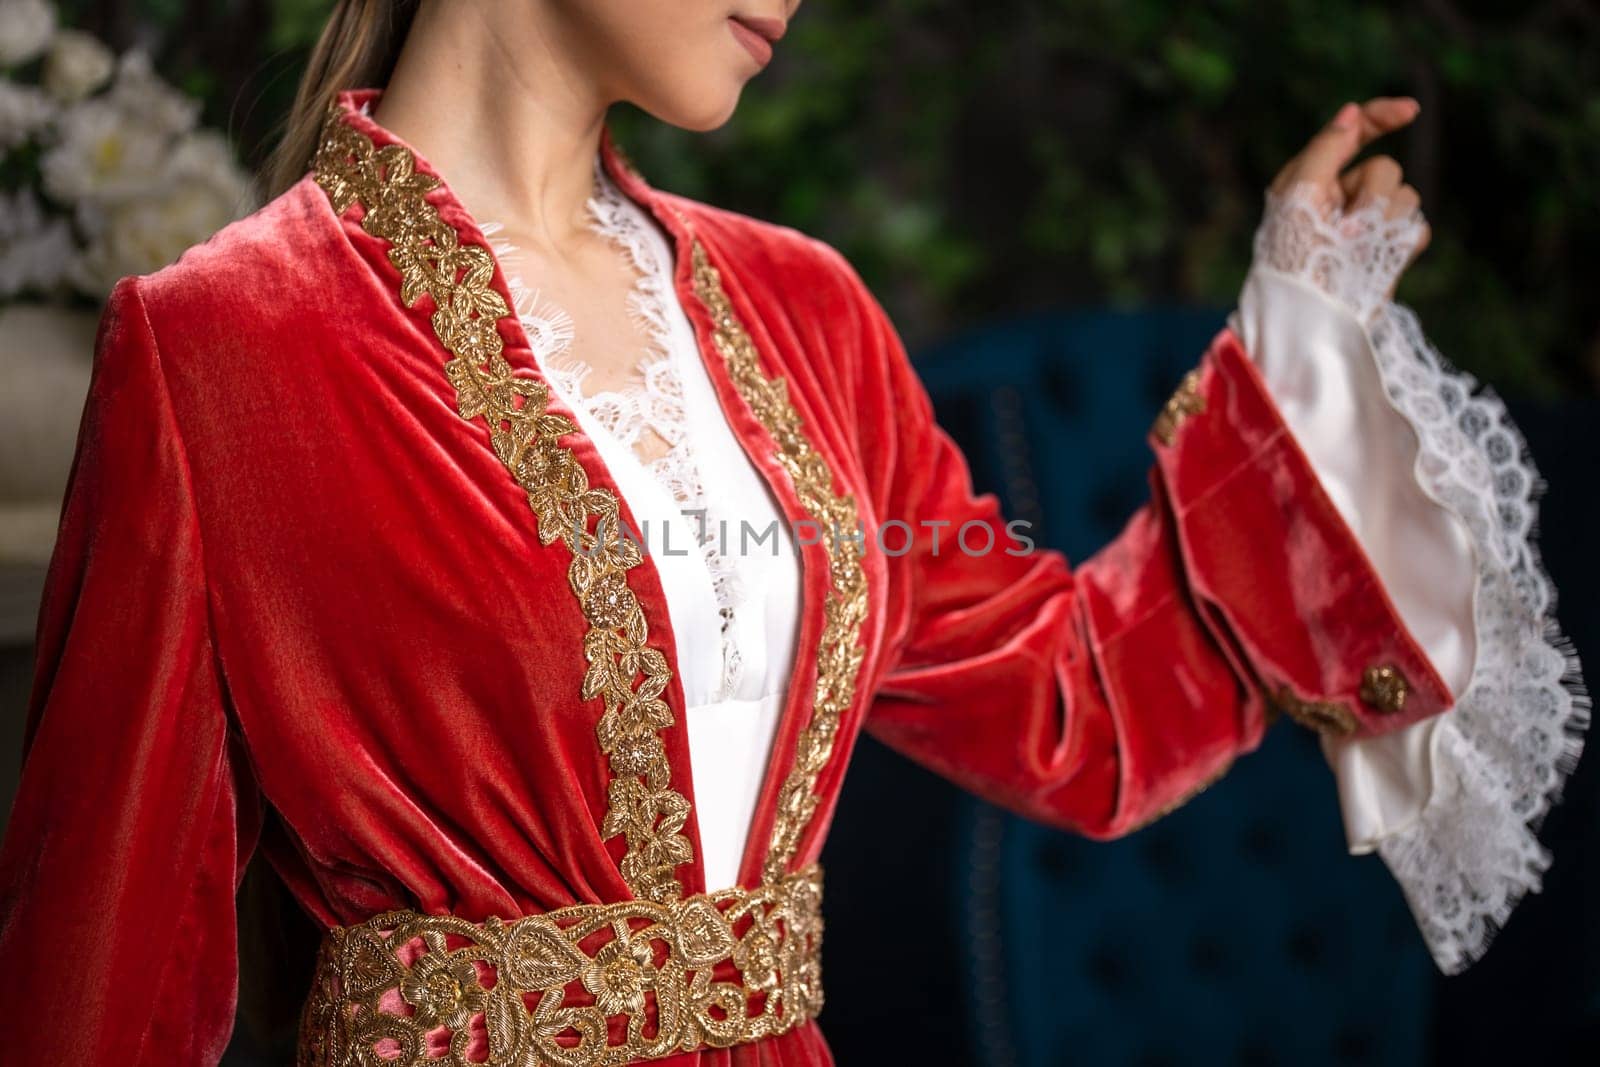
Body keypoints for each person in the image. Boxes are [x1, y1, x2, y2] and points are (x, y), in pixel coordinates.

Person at [0, 1, 1585, 1064]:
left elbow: (1075, 706)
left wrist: (1293, 346)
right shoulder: (223, 346)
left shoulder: (801, 311)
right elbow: (98, 974)